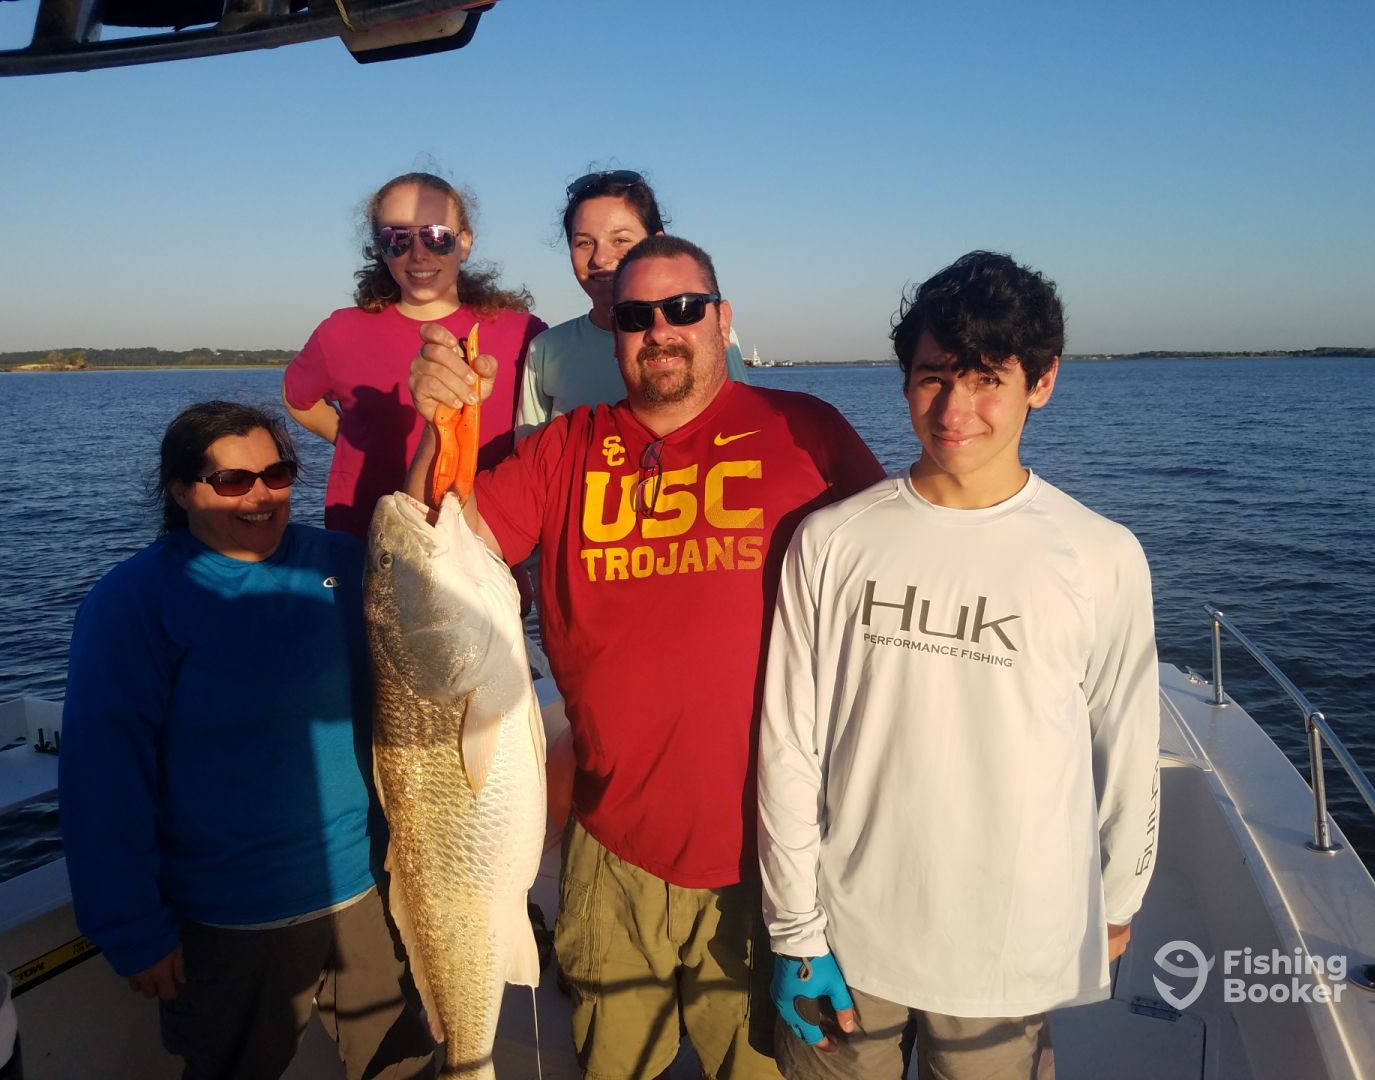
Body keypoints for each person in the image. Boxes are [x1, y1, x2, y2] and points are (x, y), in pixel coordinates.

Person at [407, 235, 885, 1080]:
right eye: (635, 316)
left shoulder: (805, 428)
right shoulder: (563, 447)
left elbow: (897, 572)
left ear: (722, 320)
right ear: (614, 333)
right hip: (612, 850)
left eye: (684, 308)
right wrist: (438, 423)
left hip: (772, 856)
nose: (660, 329)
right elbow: (431, 562)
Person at [757, 251, 1162, 1079]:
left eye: (986, 380)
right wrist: (795, 930)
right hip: (846, 940)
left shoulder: (1099, 554)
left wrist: (1118, 899)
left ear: (1041, 382)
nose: (954, 409)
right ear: (906, 381)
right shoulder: (832, 541)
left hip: (1006, 952)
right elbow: (789, 745)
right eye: (934, 378)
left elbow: (1126, 743)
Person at [59, 401, 434, 1080]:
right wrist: (133, 929)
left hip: (367, 892)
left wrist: (440, 425)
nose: (262, 496)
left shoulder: (344, 562)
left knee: (401, 1067)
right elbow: (102, 781)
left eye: (278, 474)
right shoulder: (134, 601)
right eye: (233, 481)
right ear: (181, 490)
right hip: (228, 920)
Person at [284, 171, 546, 538]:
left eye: (436, 237)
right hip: (366, 543)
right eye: (398, 239)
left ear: (464, 242)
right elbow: (296, 398)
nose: (419, 254)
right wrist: (350, 440)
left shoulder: (525, 333)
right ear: (381, 249)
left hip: (485, 542)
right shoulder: (340, 332)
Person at [514, 168, 748, 439]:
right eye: (584, 243)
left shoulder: (706, 331)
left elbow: (743, 427)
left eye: (620, 240)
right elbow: (528, 452)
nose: (600, 258)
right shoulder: (546, 349)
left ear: (656, 243)